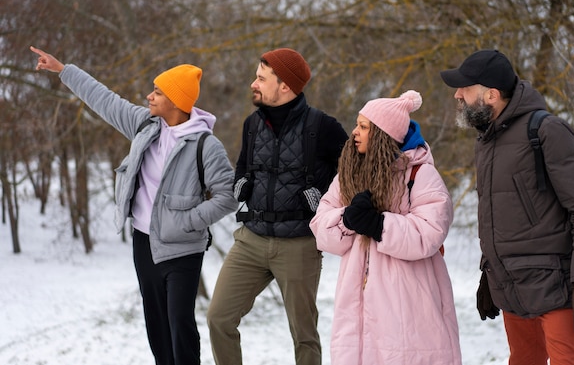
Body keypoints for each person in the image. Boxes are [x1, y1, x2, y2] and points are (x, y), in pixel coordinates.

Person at [30, 46, 238, 365]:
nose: (149, 97)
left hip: (182, 249)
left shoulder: (206, 146)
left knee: (180, 326)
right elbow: (105, 100)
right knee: (156, 327)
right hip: (143, 244)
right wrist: (64, 70)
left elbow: (227, 196)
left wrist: (185, 222)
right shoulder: (145, 126)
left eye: (157, 92)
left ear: (176, 101)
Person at [440, 49, 574, 364]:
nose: (457, 95)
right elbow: (499, 214)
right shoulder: (486, 142)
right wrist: (488, 274)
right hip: (512, 286)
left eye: (465, 87)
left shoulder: (545, 130)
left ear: (490, 94)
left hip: (557, 287)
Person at [206, 47, 348, 365]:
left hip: (299, 244)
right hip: (250, 240)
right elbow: (243, 167)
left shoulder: (322, 127)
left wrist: (327, 200)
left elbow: (355, 172)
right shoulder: (252, 124)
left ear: (284, 85)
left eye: (260, 78)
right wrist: (240, 184)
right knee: (218, 318)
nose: (253, 83)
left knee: (304, 336)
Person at [309, 90, 462, 365]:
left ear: (382, 134)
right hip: (356, 294)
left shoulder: (419, 174)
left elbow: (430, 231)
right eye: (357, 124)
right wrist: (347, 220)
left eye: (363, 127)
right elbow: (321, 226)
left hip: (409, 297)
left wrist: (380, 225)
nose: (354, 132)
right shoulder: (349, 175)